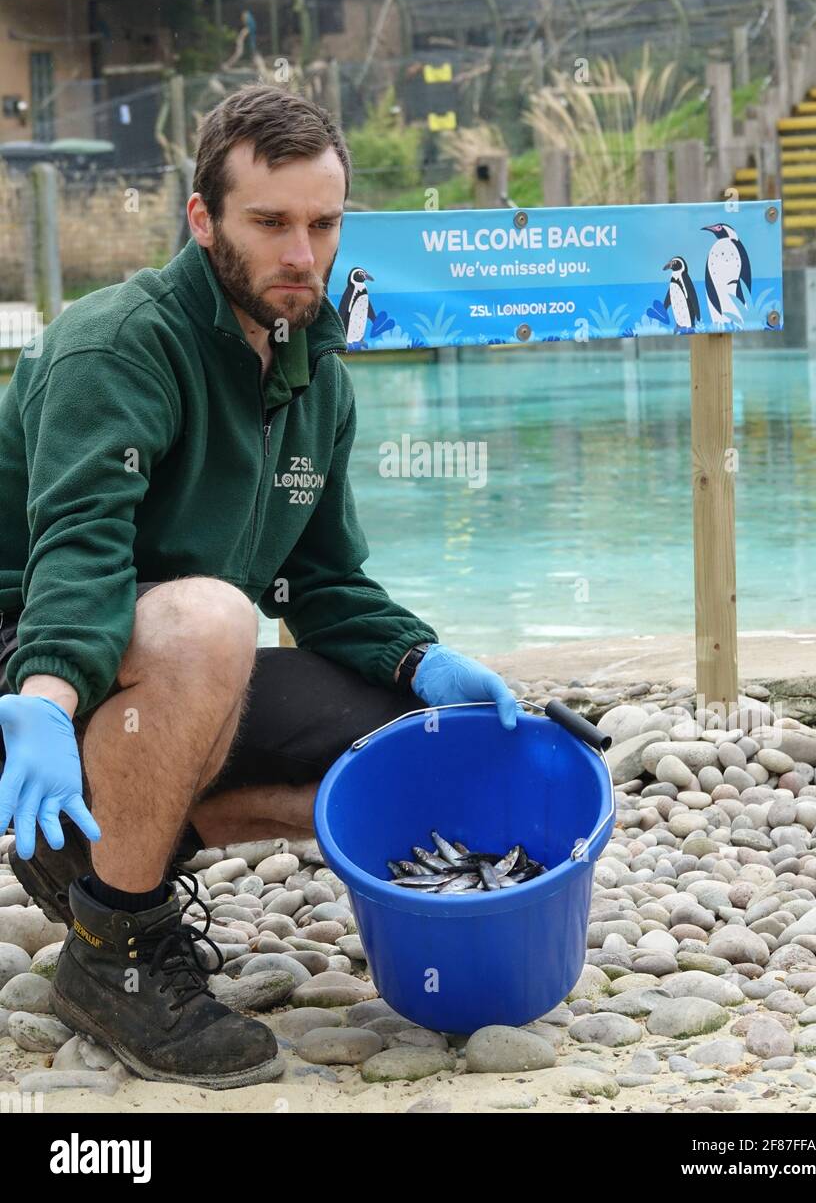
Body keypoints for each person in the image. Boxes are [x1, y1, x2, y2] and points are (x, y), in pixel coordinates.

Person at [0, 83, 518, 1090]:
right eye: (270, 222)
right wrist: (44, 703)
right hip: (31, 661)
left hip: (157, 673)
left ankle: (85, 859)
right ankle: (113, 952)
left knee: (396, 749)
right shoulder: (122, 342)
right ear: (202, 219)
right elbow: (80, 548)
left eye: (323, 224)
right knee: (209, 613)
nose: (301, 254)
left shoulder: (313, 371)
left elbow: (322, 580)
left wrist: (425, 660)